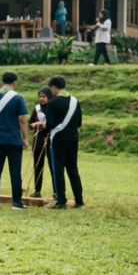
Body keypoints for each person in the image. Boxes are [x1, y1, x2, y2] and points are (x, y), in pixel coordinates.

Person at [0, 71, 29, 210]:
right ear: (15, 83)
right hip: (13, 140)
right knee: (15, 171)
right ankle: (16, 202)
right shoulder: (18, 98)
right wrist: (26, 137)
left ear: (2, 83)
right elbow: (22, 120)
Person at [45, 75, 83, 210]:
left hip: (58, 139)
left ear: (54, 87)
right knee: (73, 169)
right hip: (73, 139)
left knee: (58, 170)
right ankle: (79, 201)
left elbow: (49, 124)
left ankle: (61, 202)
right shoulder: (75, 101)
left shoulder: (53, 103)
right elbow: (79, 122)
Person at [27, 86, 52, 198]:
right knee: (37, 165)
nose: (41, 99)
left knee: (53, 165)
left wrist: (45, 125)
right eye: (40, 96)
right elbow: (30, 123)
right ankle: (37, 190)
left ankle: (56, 191)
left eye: (44, 96)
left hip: (50, 137)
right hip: (39, 138)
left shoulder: (53, 108)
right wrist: (33, 125)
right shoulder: (37, 108)